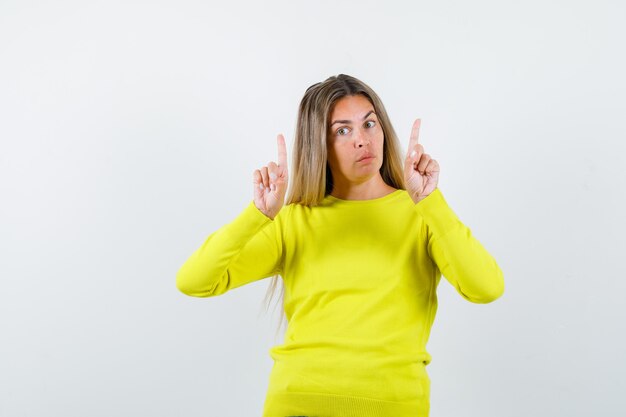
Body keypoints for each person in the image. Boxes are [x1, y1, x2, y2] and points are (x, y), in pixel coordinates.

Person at [176, 74, 505, 417]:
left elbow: (486, 287)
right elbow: (194, 281)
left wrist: (430, 202)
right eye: (342, 130)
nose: (362, 140)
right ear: (319, 144)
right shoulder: (293, 221)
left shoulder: (422, 215)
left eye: (369, 124)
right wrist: (258, 214)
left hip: (395, 406)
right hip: (298, 403)